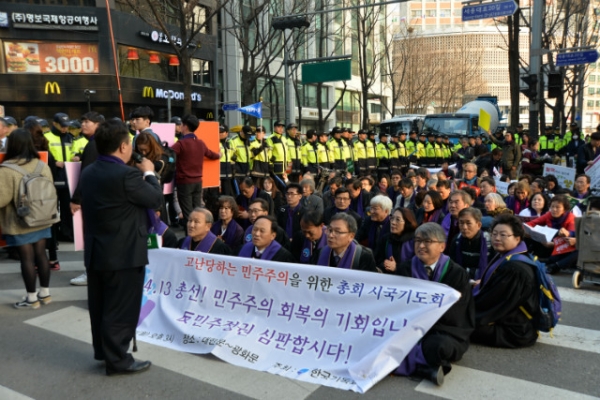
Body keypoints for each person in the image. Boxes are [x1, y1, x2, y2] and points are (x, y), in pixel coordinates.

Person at [80, 119, 162, 375]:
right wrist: (149, 173)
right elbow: (155, 198)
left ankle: (105, 351)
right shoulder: (127, 175)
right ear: (124, 147)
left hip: (97, 251)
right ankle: (118, 360)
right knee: (121, 309)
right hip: (124, 253)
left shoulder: (89, 171)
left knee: (101, 306)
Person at [394, 223, 475, 385]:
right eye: (417, 241)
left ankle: (417, 365)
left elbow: (457, 312)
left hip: (443, 329)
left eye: (427, 241)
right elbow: (397, 304)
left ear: (442, 246)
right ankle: (426, 369)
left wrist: (424, 324)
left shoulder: (456, 273)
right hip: (408, 327)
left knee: (439, 346)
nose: (421, 245)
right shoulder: (405, 269)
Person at [0, 129, 56, 309]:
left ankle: (31, 298)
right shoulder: (42, 165)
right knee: (41, 255)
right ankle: (45, 294)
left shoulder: (7, 170)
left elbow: (2, 199)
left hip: (20, 221)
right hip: (43, 217)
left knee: (27, 259)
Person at [472, 214, 538, 348]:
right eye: (494, 233)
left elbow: (492, 302)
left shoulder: (515, 269)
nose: (496, 238)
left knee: (453, 324)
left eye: (503, 235)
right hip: (512, 321)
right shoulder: (511, 256)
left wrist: (463, 307)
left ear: (517, 238)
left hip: (513, 332)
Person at [171, 114, 220, 229]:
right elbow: (212, 154)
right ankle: (201, 235)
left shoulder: (181, 144)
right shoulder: (201, 143)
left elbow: (168, 153)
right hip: (198, 182)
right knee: (198, 210)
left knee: (188, 213)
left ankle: (190, 239)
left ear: (185, 127)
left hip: (185, 182)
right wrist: (219, 155)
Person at [526, 195, 577, 273]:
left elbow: (571, 236)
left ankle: (553, 264)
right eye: (552, 207)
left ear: (564, 209)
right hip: (549, 241)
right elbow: (531, 223)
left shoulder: (571, 218)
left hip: (563, 245)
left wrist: (555, 243)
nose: (554, 209)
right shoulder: (549, 215)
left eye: (558, 207)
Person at [448, 208, 492, 280]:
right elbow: (452, 264)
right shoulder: (456, 240)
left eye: (468, 223)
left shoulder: (490, 242)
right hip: (460, 279)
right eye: (461, 223)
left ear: (478, 225)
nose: (464, 227)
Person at [374, 207, 417, 274]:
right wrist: (385, 264)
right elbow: (377, 260)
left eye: (398, 220)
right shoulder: (386, 239)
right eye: (392, 218)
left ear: (407, 222)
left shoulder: (415, 241)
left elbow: (417, 267)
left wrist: (397, 267)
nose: (393, 222)